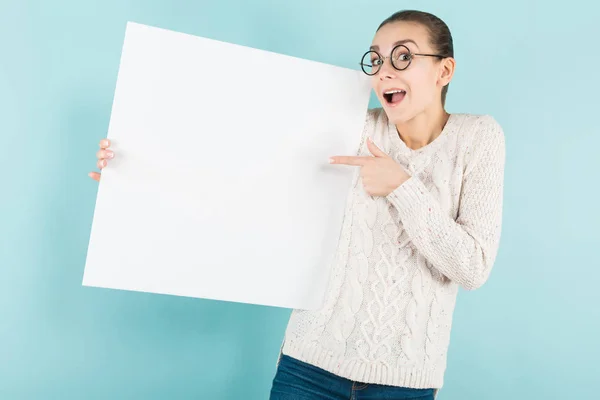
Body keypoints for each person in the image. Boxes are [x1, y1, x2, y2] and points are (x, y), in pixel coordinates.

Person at [89, 9, 505, 400]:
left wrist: (401, 185)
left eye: (402, 57)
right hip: (310, 365)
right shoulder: (351, 124)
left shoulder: (478, 139)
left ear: (444, 70)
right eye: (375, 60)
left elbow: (472, 267)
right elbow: (239, 166)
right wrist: (133, 173)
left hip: (404, 381)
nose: (384, 72)